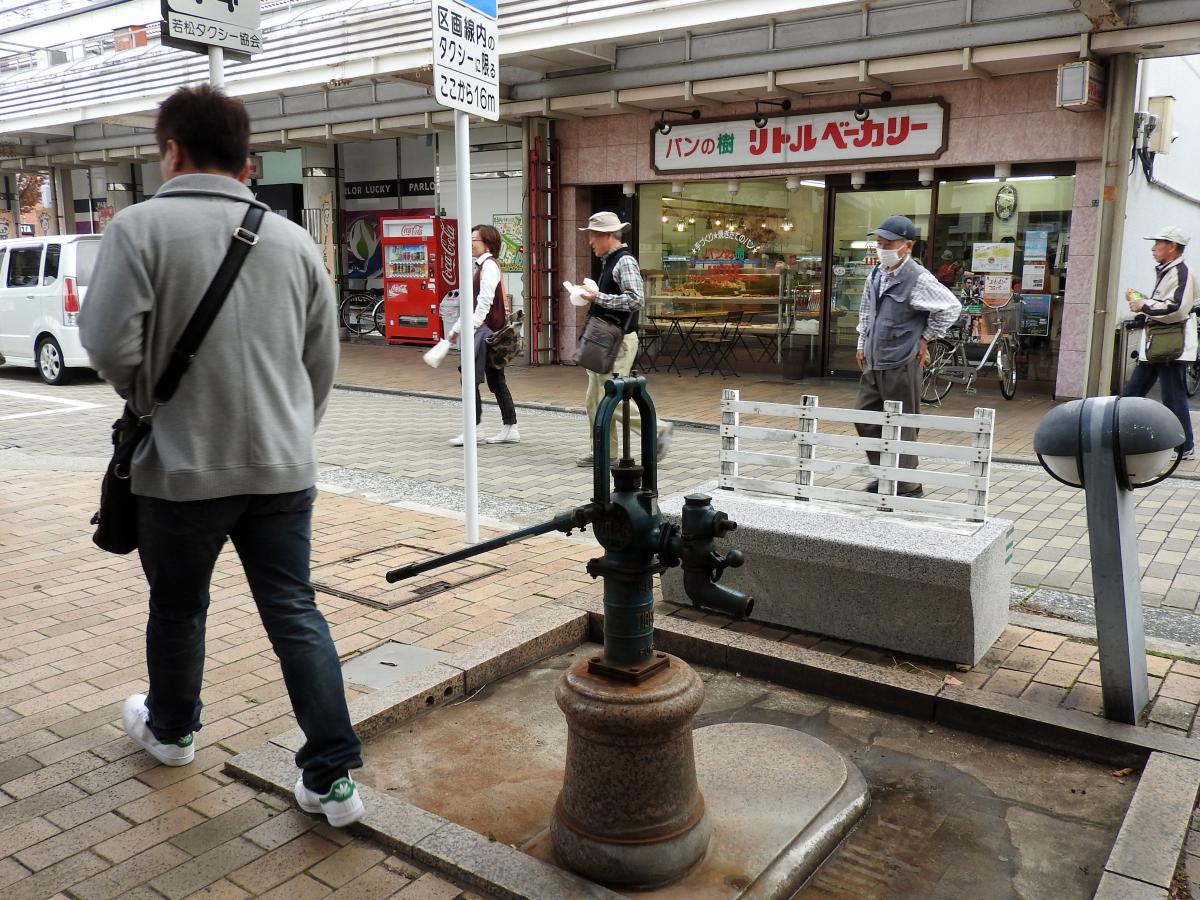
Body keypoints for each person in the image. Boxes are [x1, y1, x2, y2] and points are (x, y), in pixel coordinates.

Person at [78, 86, 365, 828]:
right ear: (247, 158)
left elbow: (108, 343)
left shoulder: (138, 229)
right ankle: (332, 778)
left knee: (178, 608)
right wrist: (289, 435)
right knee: (296, 612)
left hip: (179, 472)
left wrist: (148, 392)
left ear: (172, 150)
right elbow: (321, 363)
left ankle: (172, 731)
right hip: (282, 470)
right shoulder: (294, 240)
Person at [855, 215, 962, 497]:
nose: (881, 248)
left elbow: (951, 307)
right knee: (866, 416)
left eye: (888, 243)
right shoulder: (876, 273)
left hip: (903, 359)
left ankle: (906, 485)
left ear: (907, 246)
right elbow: (866, 311)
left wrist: (926, 337)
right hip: (875, 358)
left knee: (903, 424)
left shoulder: (918, 278)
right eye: (879, 243)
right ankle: (885, 474)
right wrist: (860, 343)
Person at [575, 211, 672, 467]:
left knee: (611, 398)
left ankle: (658, 428)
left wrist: (598, 298)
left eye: (593, 236)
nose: (590, 242)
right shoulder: (611, 260)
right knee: (594, 400)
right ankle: (604, 452)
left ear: (607, 235)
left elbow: (636, 300)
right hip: (606, 339)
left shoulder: (623, 261)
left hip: (618, 340)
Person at [1123, 225, 1197, 460]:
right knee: (1133, 393)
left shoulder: (1181, 272)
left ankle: (1184, 446)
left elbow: (1176, 308)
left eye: (1158, 243)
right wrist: (1145, 301)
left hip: (1170, 345)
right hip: (1158, 344)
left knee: (1172, 396)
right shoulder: (1170, 270)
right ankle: (1119, 436)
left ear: (1172, 247)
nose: (1153, 248)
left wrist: (1143, 304)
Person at [447, 224, 519, 445]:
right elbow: (475, 304)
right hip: (488, 331)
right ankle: (510, 428)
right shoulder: (484, 266)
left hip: (484, 332)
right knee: (495, 380)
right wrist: (458, 328)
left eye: (474, 240)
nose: (470, 243)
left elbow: (483, 303)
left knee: (469, 379)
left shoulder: (488, 267)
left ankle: (476, 430)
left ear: (486, 242)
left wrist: (467, 328)